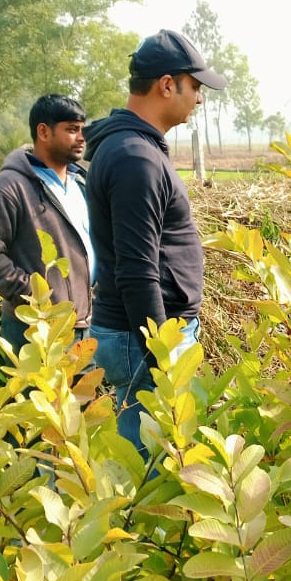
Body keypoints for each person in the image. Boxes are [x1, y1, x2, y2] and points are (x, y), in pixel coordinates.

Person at [83, 29, 227, 454]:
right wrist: (161, 351)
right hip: (146, 335)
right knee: (155, 470)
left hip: (142, 331)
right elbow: (137, 266)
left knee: (147, 458)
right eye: (195, 87)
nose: (198, 99)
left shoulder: (134, 148)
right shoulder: (135, 158)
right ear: (168, 85)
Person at [0, 94, 94, 352]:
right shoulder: (9, 187)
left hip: (84, 327)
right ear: (44, 132)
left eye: (82, 129)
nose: (81, 138)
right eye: (71, 130)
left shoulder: (82, 184)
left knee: (84, 394)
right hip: (34, 330)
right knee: (37, 393)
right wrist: (36, 296)